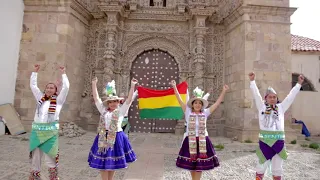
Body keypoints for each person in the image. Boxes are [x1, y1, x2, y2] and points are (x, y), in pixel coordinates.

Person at [249, 72, 304, 180]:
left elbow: (290, 97)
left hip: (279, 142)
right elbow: (256, 94)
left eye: (274, 97)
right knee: (261, 165)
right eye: (270, 97)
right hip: (265, 142)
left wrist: (299, 84)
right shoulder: (262, 107)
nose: (273, 99)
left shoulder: (281, 107)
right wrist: (252, 81)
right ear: (266, 98)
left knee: (277, 168)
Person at [171, 80, 229, 180]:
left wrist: (224, 91)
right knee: (192, 166)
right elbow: (179, 99)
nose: (198, 105)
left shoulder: (205, 113)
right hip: (190, 141)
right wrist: (174, 87)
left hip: (202, 141)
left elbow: (217, 103)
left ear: (202, 105)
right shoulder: (188, 112)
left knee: (199, 167)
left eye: (200, 103)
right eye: (196, 103)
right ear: (192, 104)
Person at [88, 77, 137, 180]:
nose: (113, 103)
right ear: (108, 103)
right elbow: (96, 98)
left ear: (118, 102)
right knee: (103, 162)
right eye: (111, 102)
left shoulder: (121, 111)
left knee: (112, 161)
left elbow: (128, 100)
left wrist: (132, 86)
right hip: (103, 137)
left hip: (116, 137)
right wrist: (94, 84)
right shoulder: (103, 111)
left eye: (115, 101)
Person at [29, 64, 70, 180]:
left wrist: (63, 73)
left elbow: (66, 88)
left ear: (56, 90)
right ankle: (35, 177)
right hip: (37, 130)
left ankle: (53, 178)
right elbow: (33, 86)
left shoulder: (58, 101)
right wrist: (35, 72)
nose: (49, 89)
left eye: (52, 88)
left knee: (50, 156)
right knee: (36, 157)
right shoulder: (40, 98)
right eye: (47, 87)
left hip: (50, 132)